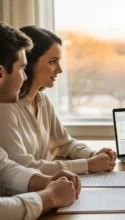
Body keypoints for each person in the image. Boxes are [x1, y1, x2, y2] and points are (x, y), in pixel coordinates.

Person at [0, 26, 117, 175]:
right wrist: (87, 165)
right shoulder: (6, 106)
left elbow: (64, 143)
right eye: (52, 61)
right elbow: (22, 166)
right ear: (29, 64)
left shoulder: (42, 101)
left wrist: (93, 155)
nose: (59, 69)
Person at [0, 22, 81, 220]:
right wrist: (49, 197)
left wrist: (46, 181)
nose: (24, 77)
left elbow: (4, 168)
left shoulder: (42, 100)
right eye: (22, 69)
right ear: (1, 74)